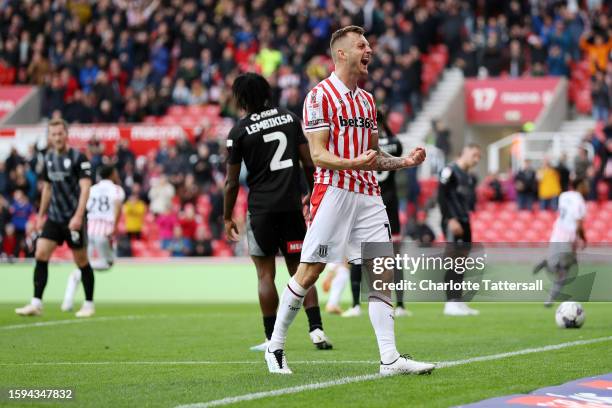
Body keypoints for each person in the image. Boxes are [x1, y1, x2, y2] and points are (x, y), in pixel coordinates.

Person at [264, 26, 433, 376]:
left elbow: (372, 153)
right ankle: (275, 346)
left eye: (369, 44)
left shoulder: (367, 100)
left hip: (369, 194)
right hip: (334, 192)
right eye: (362, 45)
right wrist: (357, 162)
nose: (369, 50)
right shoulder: (319, 96)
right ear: (341, 53)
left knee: (382, 273)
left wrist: (404, 162)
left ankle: (389, 359)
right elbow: (318, 155)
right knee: (310, 271)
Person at [224, 72, 332, 353]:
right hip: (291, 208)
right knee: (301, 270)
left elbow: (232, 181)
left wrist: (226, 217)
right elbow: (309, 163)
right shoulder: (289, 119)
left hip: (261, 211)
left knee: (264, 276)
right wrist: (314, 195)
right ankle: (316, 328)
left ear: (242, 98)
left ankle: (272, 339)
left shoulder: (239, 131)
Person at [15, 118, 94, 318]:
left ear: (66, 134)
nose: (57, 137)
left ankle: (88, 303)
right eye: (53, 134)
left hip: (73, 218)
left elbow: (86, 188)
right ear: (49, 137)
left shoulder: (78, 158)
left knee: (81, 260)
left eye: (60, 134)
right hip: (55, 217)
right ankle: (36, 303)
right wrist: (41, 216)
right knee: (41, 253)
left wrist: (78, 216)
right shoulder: (49, 158)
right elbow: (48, 188)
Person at [343, 110, 411, 318]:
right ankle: (400, 305)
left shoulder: (362, 144)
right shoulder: (395, 142)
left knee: (358, 255)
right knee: (394, 257)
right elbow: (393, 149)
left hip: (368, 201)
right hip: (390, 204)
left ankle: (355, 304)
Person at [61, 164, 125, 312]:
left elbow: (84, 208)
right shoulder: (117, 189)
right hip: (105, 231)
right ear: (112, 173)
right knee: (108, 263)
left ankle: (67, 301)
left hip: (89, 231)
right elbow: (117, 206)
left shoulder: (92, 189)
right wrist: (114, 227)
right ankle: (83, 271)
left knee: (82, 264)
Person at [438, 144, 481, 316]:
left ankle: (458, 301)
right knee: (454, 260)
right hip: (453, 220)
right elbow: (441, 196)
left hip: (464, 220)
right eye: (474, 155)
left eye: (479, 157)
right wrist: (450, 219)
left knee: (461, 262)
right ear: (464, 152)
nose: (476, 159)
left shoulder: (469, 177)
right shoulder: (449, 171)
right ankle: (450, 303)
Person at [534, 178, 588, 307]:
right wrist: (584, 239)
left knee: (559, 268)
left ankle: (549, 266)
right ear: (580, 185)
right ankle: (550, 298)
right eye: (586, 184)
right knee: (563, 272)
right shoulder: (580, 201)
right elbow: (578, 224)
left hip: (556, 234)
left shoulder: (564, 195)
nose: (588, 188)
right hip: (568, 239)